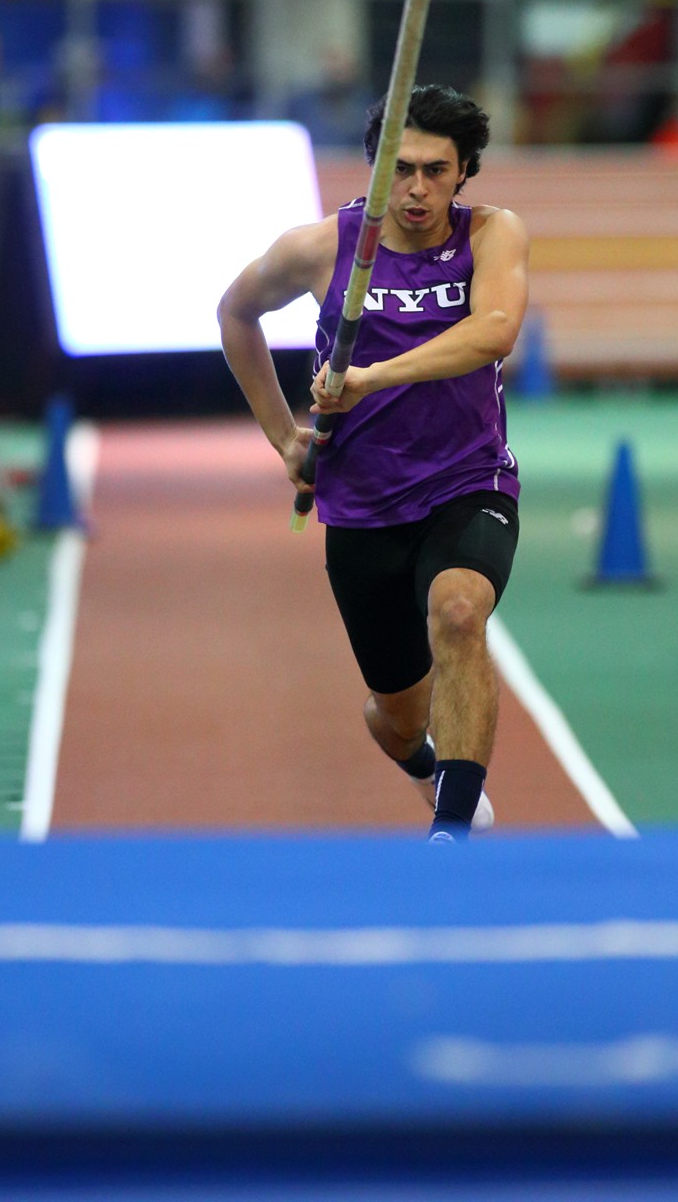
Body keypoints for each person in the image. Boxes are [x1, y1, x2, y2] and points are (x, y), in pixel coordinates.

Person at [218, 84, 529, 842]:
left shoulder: (492, 234)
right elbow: (235, 313)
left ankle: (450, 834)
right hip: (362, 503)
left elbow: (493, 332)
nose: (416, 189)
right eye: (401, 169)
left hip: (468, 480)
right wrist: (284, 438)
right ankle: (421, 763)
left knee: (459, 613)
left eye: (435, 171)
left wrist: (370, 378)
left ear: (463, 173)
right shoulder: (321, 248)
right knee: (398, 717)